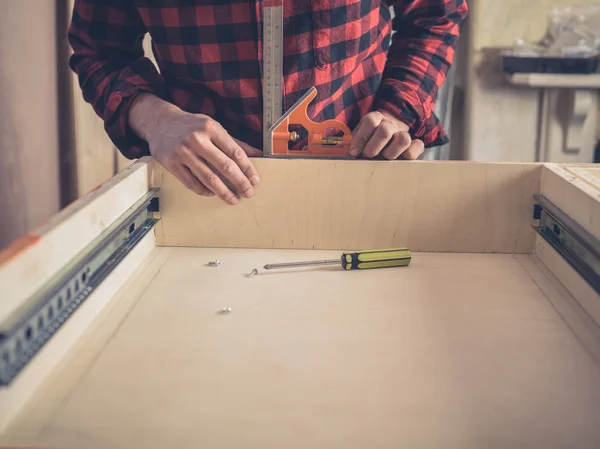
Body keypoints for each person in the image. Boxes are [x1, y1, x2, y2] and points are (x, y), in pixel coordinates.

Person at [68, 0, 468, 205]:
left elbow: (436, 13)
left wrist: (398, 109)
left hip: (362, 182)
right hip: (203, 192)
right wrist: (157, 119)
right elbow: (99, 51)